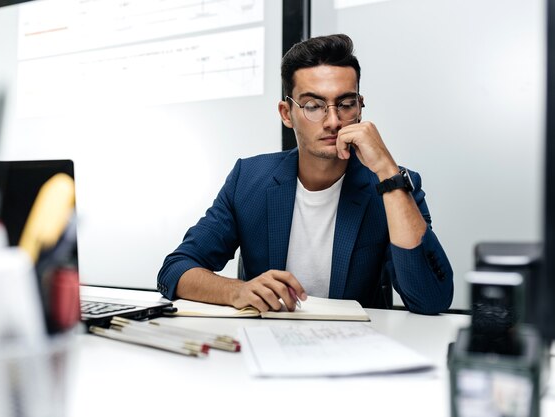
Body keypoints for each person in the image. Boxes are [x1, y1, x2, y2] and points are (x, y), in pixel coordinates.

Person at [157, 34, 453, 315]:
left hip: (357, 350)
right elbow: (175, 269)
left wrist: (388, 173)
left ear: (360, 108)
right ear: (286, 113)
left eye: (346, 104)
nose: (333, 121)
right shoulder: (248, 178)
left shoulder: (393, 186)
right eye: (313, 106)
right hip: (265, 343)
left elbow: (431, 299)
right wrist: (237, 291)